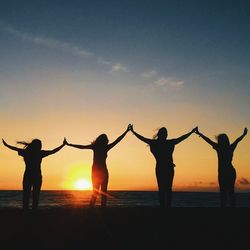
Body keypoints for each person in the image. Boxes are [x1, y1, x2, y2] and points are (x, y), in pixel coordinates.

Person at [130, 125, 197, 207]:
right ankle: (164, 206)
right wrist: (133, 132)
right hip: (164, 167)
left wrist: (191, 132)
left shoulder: (162, 143)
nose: (166, 134)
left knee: (166, 188)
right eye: (165, 133)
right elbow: (142, 138)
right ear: (161, 134)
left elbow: (182, 138)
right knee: (164, 188)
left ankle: (166, 206)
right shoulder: (164, 143)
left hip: (165, 167)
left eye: (166, 133)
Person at [65, 126, 130, 207]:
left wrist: (126, 131)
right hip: (98, 172)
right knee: (98, 191)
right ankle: (94, 207)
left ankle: (98, 207)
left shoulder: (100, 147)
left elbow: (118, 140)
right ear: (103, 140)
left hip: (101, 171)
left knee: (100, 192)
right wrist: (69, 144)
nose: (107, 141)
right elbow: (81, 147)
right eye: (106, 139)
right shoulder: (100, 147)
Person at [2, 138, 66, 210]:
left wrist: (6, 145)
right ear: (36, 145)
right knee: (34, 194)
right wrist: (63, 145)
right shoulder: (39, 153)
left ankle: (27, 210)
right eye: (40, 144)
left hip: (30, 176)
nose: (41, 146)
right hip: (36, 176)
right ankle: (32, 210)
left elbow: (15, 149)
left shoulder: (27, 152)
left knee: (28, 194)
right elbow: (53, 151)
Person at [195, 127, 248, 207]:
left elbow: (208, 140)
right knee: (229, 192)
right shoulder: (229, 147)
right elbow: (237, 140)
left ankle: (225, 207)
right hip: (229, 172)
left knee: (225, 192)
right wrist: (243, 134)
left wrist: (199, 134)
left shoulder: (219, 148)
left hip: (225, 172)